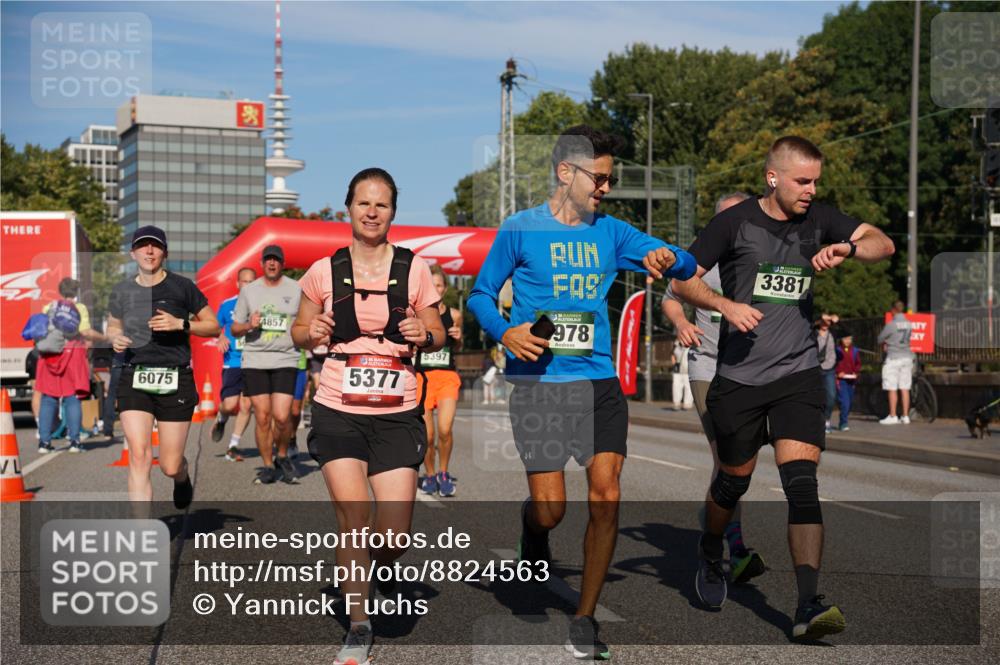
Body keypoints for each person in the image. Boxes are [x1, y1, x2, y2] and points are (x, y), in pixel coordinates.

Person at [468, 125, 696, 660]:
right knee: (551, 509)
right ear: (565, 172)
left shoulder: (613, 233)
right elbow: (480, 294)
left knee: (608, 493)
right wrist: (505, 331)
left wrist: (670, 260)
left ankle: (584, 617)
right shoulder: (520, 230)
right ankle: (535, 532)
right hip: (540, 386)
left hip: (597, 384)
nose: (606, 188)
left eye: (611, 179)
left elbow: (682, 262)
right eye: (599, 177)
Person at [671, 136, 894, 640]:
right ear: (773, 177)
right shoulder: (734, 222)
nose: (812, 190)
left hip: (797, 376)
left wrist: (850, 247)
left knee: (801, 484)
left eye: (816, 181)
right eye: (802, 180)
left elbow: (885, 243)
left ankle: (807, 605)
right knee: (733, 481)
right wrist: (725, 306)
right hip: (739, 378)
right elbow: (684, 280)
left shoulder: (820, 219)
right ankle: (711, 548)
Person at [291, 167, 444, 665]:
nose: (372, 211)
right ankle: (358, 623)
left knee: (394, 536)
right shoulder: (322, 271)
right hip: (337, 405)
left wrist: (425, 332)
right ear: (348, 208)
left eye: (381, 204)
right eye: (363, 203)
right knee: (354, 518)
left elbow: (439, 333)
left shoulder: (414, 268)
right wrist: (311, 332)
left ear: (393, 212)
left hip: (398, 409)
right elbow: (297, 330)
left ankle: (360, 569)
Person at [661, 191, 766, 586]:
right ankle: (733, 548)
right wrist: (682, 324)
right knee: (726, 457)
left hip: (750, 370)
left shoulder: (761, 256)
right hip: (707, 366)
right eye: (724, 218)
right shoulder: (701, 261)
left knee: (741, 462)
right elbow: (670, 298)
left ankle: (715, 524)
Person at [106, 226, 220, 505]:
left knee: (169, 464)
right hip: (135, 377)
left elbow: (214, 326)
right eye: (143, 246)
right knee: (140, 455)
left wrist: (181, 324)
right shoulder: (122, 290)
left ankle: (181, 477)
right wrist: (115, 338)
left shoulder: (182, 287)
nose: (149, 251)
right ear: (133, 253)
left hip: (175, 378)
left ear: (164, 253)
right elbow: (112, 324)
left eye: (155, 246)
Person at [232, 245, 302, 484]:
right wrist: (249, 325)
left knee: (282, 417)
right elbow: (234, 328)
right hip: (255, 358)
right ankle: (267, 464)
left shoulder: (295, 289)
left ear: (283, 264)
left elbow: (304, 322)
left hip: (285, 357)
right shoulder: (250, 291)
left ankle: (282, 455)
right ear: (262, 263)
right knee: (262, 416)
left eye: (276, 260)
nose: (272, 264)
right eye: (268, 260)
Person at [36, 278, 103, 453]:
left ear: (60, 291)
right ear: (76, 292)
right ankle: (74, 442)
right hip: (72, 354)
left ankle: (44, 442)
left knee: (48, 398)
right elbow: (85, 332)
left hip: (49, 355)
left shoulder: (49, 307)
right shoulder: (78, 308)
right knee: (72, 398)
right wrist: (104, 338)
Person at [416, 263, 463, 497]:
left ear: (444, 289)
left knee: (445, 429)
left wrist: (458, 337)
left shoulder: (454, 315)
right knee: (428, 435)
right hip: (421, 377)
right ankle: (431, 474)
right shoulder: (416, 314)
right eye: (431, 285)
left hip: (447, 376)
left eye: (439, 285)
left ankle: (444, 472)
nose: (435, 289)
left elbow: (458, 346)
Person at [211, 267, 257, 461]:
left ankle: (233, 446)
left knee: (246, 405)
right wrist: (220, 336)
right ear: (238, 284)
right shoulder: (227, 305)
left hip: (254, 361)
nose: (249, 285)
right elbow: (212, 325)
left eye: (252, 282)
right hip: (233, 361)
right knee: (230, 405)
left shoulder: (262, 306)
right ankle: (222, 418)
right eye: (245, 282)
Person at [877, 300, 914, 425]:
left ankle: (893, 415)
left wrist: (887, 342)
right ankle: (905, 415)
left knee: (892, 387)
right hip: (907, 357)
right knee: (905, 388)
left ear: (893, 310)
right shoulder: (909, 324)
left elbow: (880, 338)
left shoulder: (892, 324)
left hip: (894, 357)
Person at [834, 331, 861, 431]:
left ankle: (843, 419)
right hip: (841, 380)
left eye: (849, 339)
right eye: (845, 339)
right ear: (841, 339)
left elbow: (858, 364)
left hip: (851, 380)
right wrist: (838, 372)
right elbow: (834, 363)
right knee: (844, 402)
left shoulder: (855, 351)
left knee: (849, 402)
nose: (847, 341)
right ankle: (843, 423)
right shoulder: (837, 350)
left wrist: (856, 372)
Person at [815, 316, 837, 433]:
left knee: (831, 396)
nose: (825, 323)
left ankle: (826, 418)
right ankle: (819, 421)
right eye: (823, 321)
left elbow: (847, 333)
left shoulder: (833, 333)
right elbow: (809, 324)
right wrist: (820, 318)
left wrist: (836, 321)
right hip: (816, 369)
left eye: (827, 322)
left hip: (829, 370)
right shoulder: (813, 333)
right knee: (817, 397)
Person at [670, 341, 693, 411]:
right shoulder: (676, 344)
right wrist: (674, 364)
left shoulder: (692, 344)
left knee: (688, 387)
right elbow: (672, 354)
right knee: (676, 386)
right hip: (678, 370)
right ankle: (676, 403)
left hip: (688, 370)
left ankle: (687, 404)